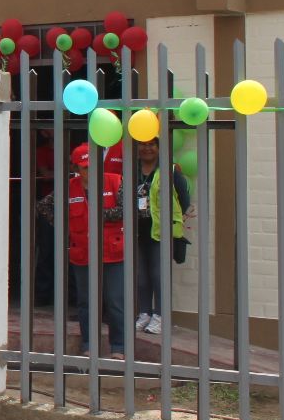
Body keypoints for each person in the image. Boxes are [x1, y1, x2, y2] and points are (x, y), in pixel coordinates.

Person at [62, 142, 126, 359]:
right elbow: (46, 207)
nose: (90, 171)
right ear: (77, 169)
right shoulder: (69, 187)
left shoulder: (116, 181)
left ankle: (118, 347)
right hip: (83, 253)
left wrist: (100, 214)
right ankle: (89, 344)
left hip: (113, 252)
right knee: (86, 302)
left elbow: (128, 210)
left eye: (93, 165)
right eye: (85, 167)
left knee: (115, 301)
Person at [133, 137, 190, 337]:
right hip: (138, 231)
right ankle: (145, 313)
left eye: (152, 144)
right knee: (141, 277)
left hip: (161, 232)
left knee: (159, 276)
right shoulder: (132, 169)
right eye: (143, 144)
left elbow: (184, 198)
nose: (147, 148)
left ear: (159, 147)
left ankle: (160, 316)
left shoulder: (170, 170)